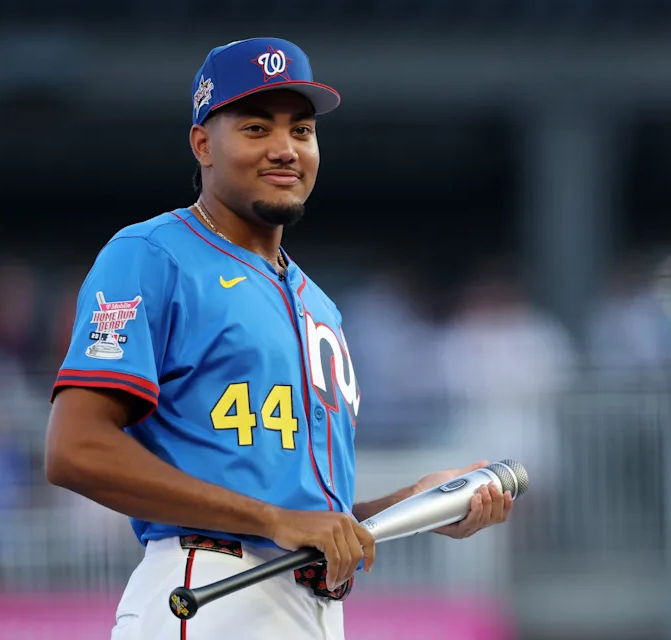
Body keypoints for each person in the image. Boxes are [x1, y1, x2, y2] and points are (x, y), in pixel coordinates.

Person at [44, 37, 513, 640]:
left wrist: (417, 505)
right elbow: (74, 450)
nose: (286, 149)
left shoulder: (318, 304)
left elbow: (308, 520)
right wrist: (275, 519)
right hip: (208, 589)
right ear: (203, 143)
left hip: (309, 604)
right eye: (257, 127)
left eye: (303, 130)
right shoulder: (152, 254)